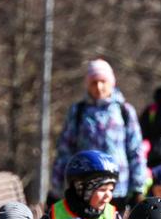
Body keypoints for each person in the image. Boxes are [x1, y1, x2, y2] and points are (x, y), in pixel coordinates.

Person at [50, 59, 146, 210]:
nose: (99, 87)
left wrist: (138, 188)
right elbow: (65, 150)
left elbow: (136, 151)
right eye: (94, 82)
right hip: (85, 188)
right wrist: (56, 187)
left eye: (103, 81)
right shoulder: (78, 111)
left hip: (118, 189)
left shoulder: (124, 111)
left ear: (111, 83)